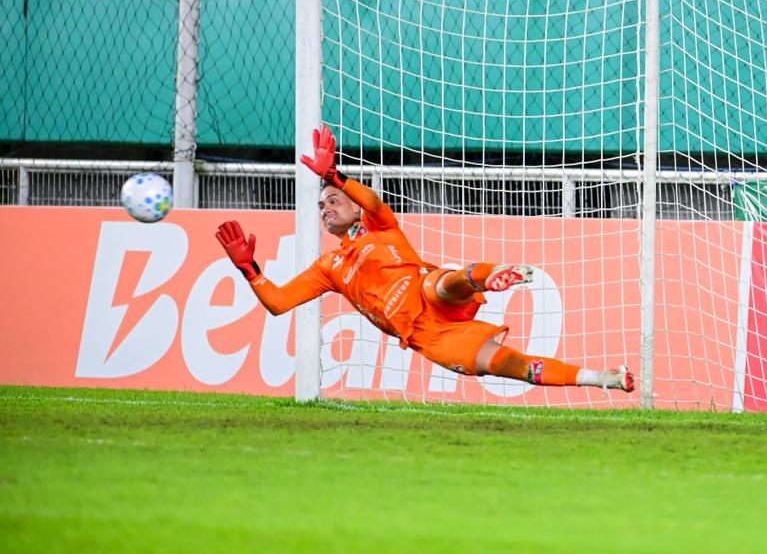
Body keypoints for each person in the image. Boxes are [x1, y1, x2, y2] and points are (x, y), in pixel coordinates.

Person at [216, 127, 634, 394]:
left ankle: (490, 277)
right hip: (427, 337)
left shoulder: (379, 227)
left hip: (427, 293)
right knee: (511, 366)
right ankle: (604, 378)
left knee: (447, 282)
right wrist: (247, 267)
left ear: (353, 207)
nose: (325, 208)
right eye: (321, 206)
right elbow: (277, 303)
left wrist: (336, 176)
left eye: (332, 200)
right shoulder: (328, 268)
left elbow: (373, 200)